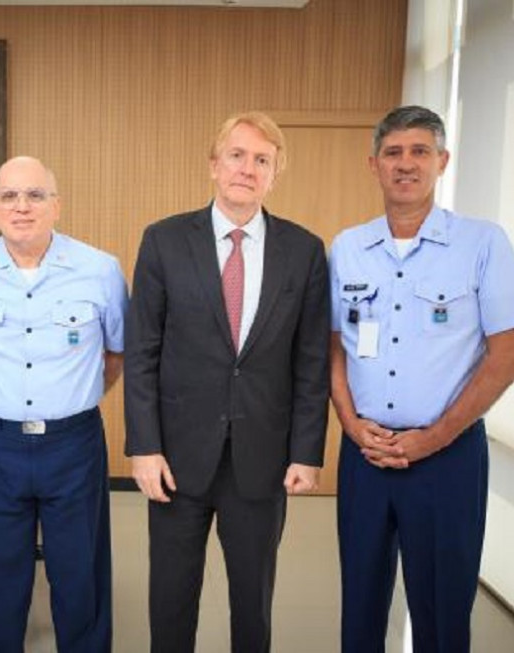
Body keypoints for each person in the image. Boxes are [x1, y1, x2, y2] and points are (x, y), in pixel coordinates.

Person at [329, 105, 514, 652]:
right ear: (373, 164)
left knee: (443, 613)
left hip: (447, 458)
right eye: (394, 153)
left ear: (442, 161)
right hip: (366, 454)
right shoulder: (348, 247)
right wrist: (350, 423)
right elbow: (332, 347)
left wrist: (436, 436)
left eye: (420, 151)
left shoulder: (483, 243)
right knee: (359, 605)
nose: (406, 164)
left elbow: (508, 355)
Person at [124, 112, 331, 653]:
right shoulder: (165, 240)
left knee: (253, 604)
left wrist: (307, 453)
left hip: (261, 462)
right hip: (176, 458)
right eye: (237, 155)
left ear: (275, 174)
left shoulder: (304, 251)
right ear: (214, 165)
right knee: (170, 600)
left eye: (262, 160)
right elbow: (142, 352)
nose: (248, 168)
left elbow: (311, 361)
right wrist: (143, 446)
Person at [0, 156, 127, 653]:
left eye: (35, 195)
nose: (22, 206)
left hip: (74, 444)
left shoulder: (100, 270)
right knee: (0, 579)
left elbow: (116, 354)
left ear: (56, 205)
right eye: (9, 196)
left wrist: (69, 397)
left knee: (80, 575)